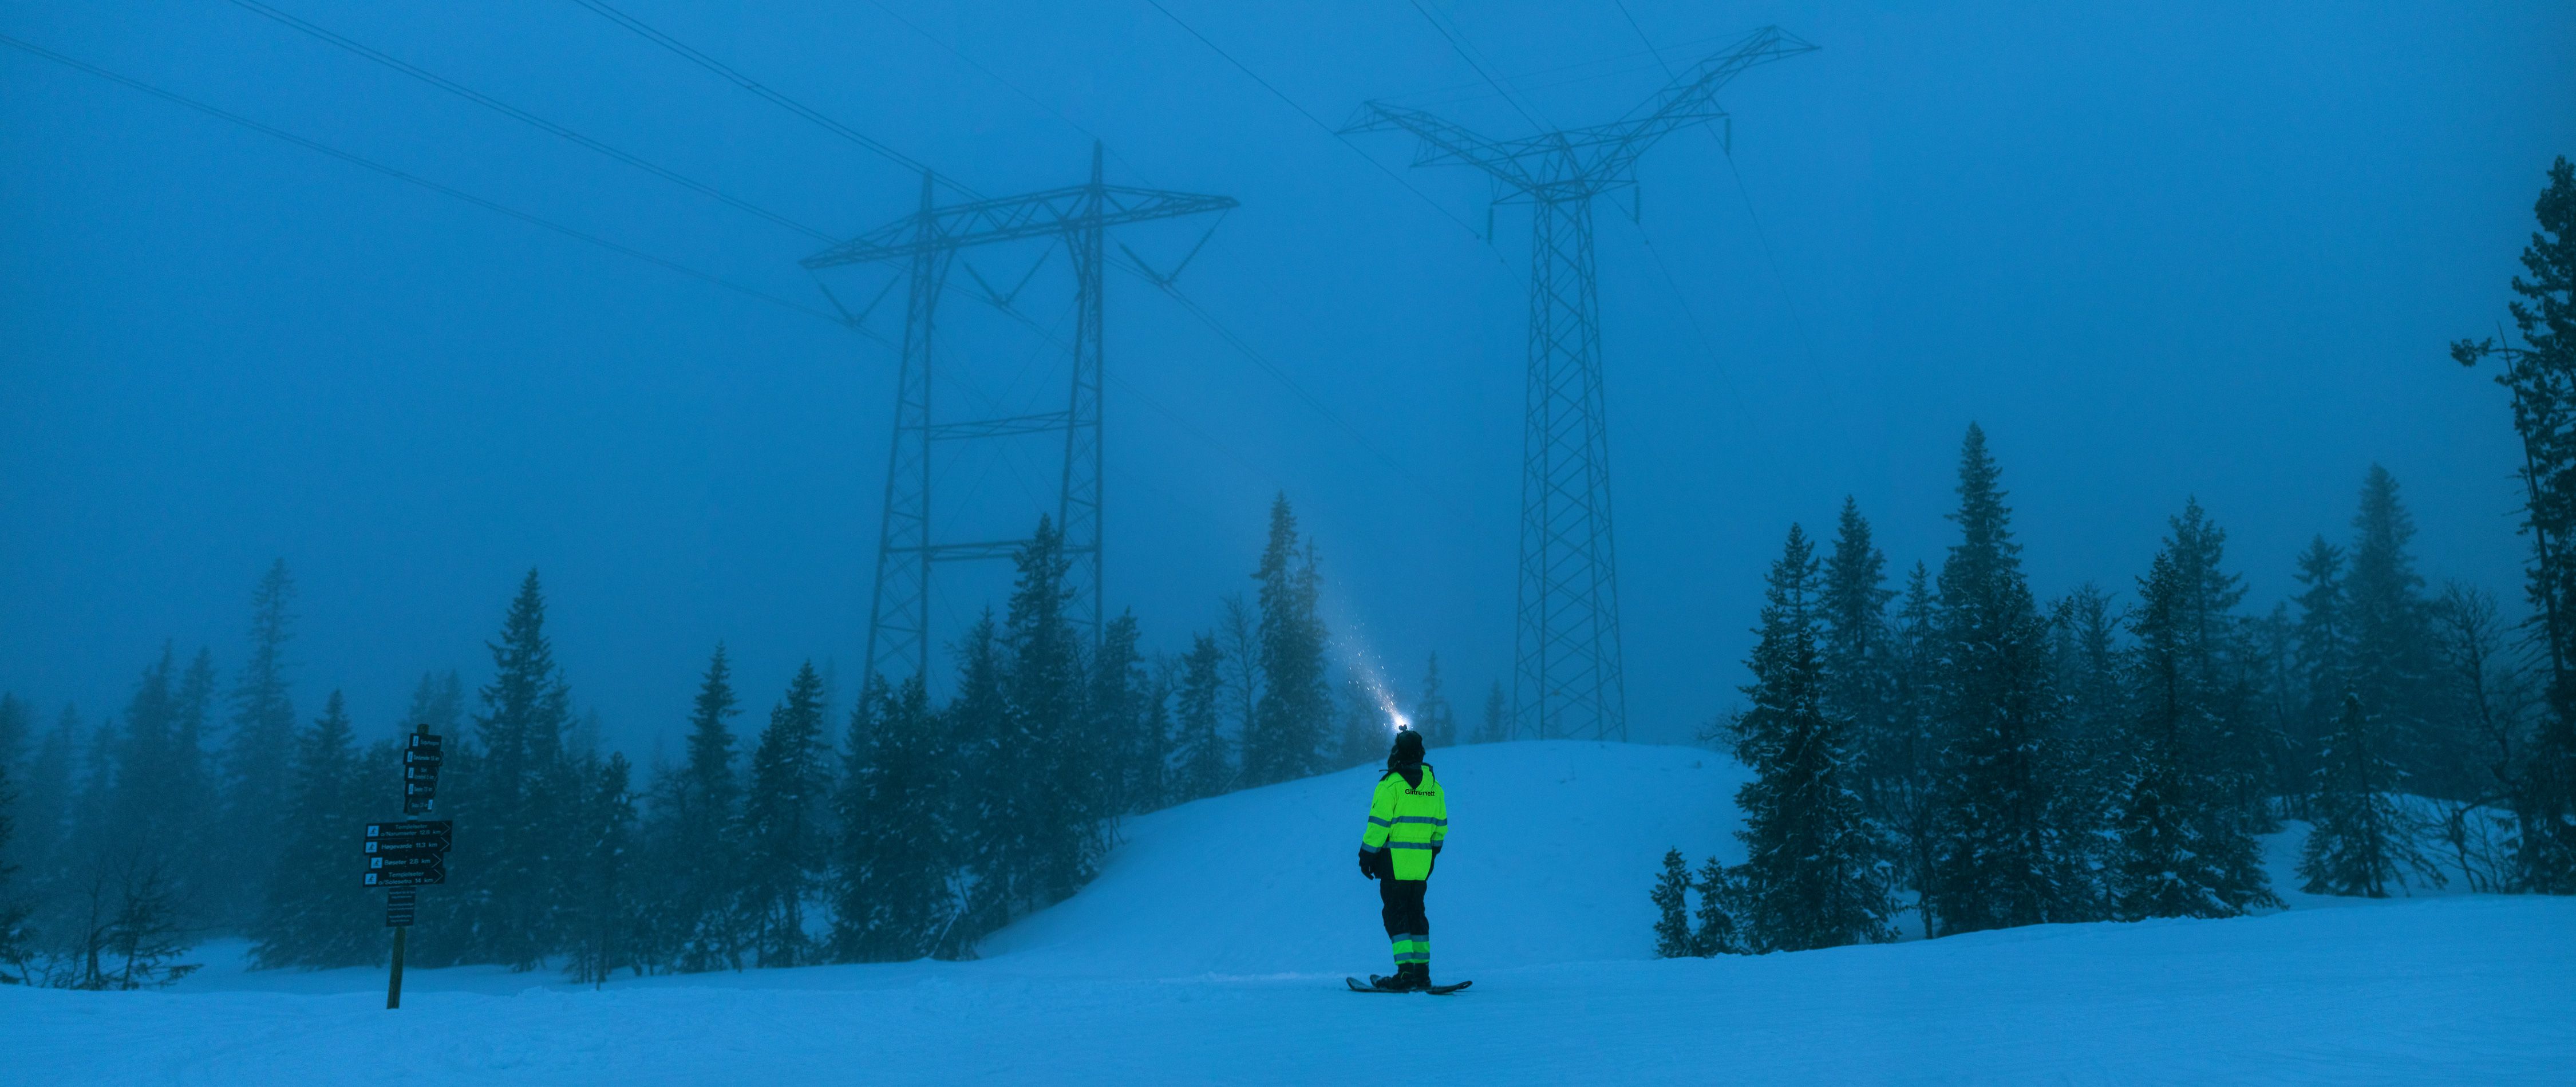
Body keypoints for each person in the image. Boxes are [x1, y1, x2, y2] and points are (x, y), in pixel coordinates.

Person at [1357, 728, 1447, 990]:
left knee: (1396, 916)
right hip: (1421, 867)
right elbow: (1440, 829)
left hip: (1393, 863)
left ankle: (1405, 974)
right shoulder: (1435, 787)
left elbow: (1378, 826)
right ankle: (1422, 974)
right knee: (1417, 915)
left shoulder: (1391, 785)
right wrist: (1430, 855)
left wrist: (1366, 857)